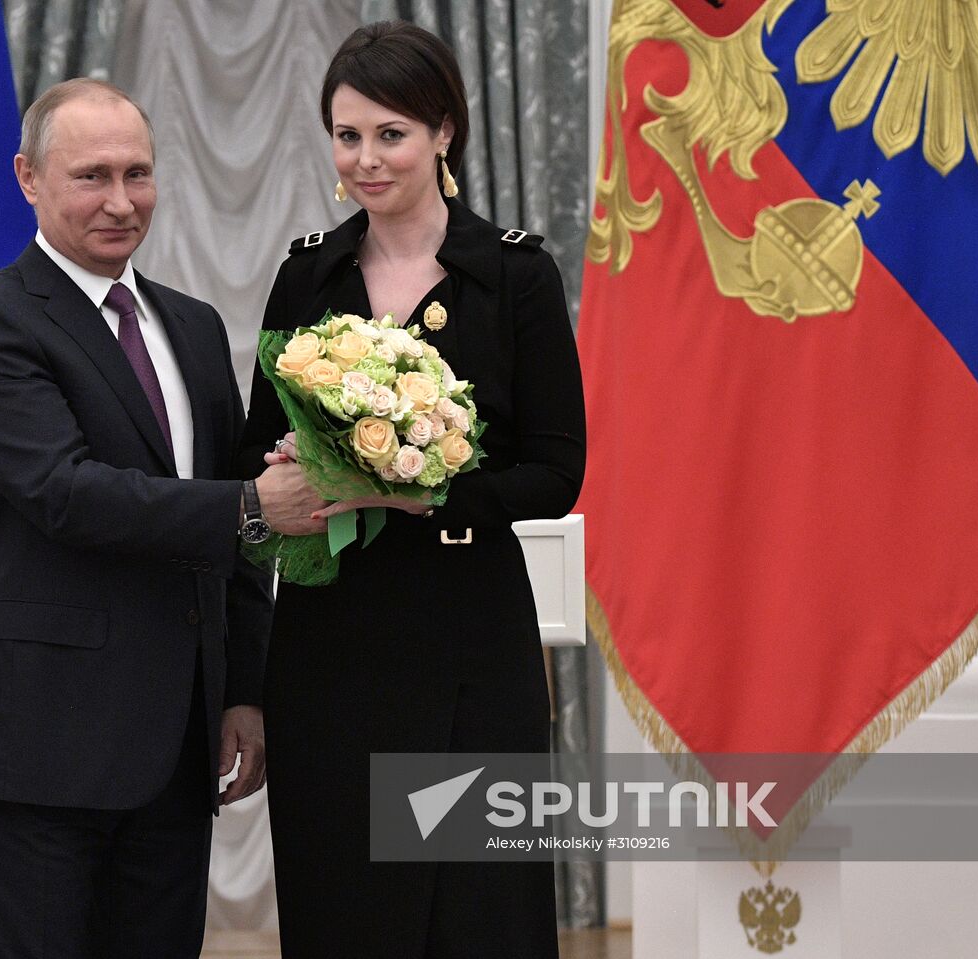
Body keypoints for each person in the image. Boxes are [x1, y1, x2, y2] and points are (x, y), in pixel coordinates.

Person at [0, 78, 324, 958]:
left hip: (177, 752)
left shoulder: (191, 325)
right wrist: (254, 502)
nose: (120, 201)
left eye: (138, 173)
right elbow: (69, 495)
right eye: (91, 176)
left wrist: (245, 688)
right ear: (28, 177)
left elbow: (240, 534)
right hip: (41, 750)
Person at [238, 22, 586, 958]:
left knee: (479, 915)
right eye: (347, 136)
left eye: (389, 134)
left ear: (443, 132)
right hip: (329, 648)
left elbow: (555, 473)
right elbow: (251, 454)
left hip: (470, 640)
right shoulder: (306, 272)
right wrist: (282, 469)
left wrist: (418, 494)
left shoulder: (515, 274)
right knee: (343, 904)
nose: (365, 159)